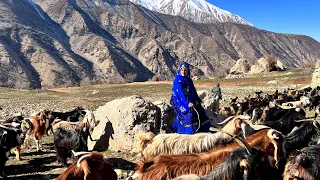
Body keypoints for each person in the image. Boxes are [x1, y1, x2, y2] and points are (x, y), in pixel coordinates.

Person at [170, 62, 211, 134]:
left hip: (190, 100)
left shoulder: (189, 80)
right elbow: (180, 93)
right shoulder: (178, 80)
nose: (183, 72)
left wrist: (197, 99)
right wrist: (188, 103)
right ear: (179, 70)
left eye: (185, 70)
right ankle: (188, 134)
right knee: (189, 115)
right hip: (181, 101)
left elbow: (193, 90)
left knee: (200, 111)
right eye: (182, 70)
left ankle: (203, 130)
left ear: (188, 71)